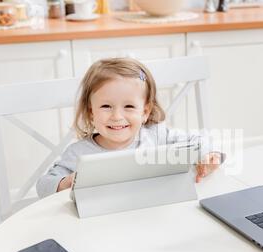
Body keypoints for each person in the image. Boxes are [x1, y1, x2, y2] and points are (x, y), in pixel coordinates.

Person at [36, 57, 224, 198]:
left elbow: (200, 141)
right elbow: (43, 185)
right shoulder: (79, 153)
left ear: (145, 112)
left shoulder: (156, 136)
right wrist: (66, 183)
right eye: (106, 106)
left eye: (129, 106)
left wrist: (207, 155)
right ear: (91, 111)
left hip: (154, 217)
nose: (117, 116)